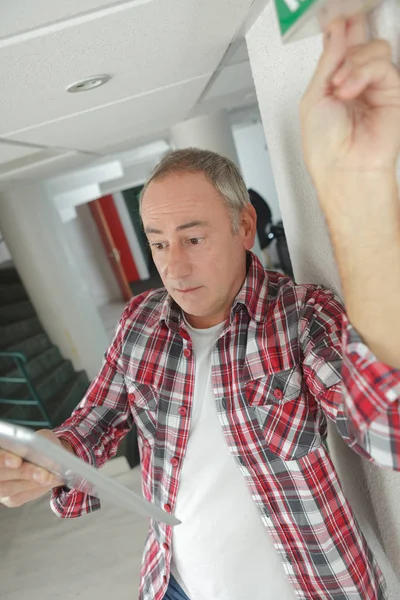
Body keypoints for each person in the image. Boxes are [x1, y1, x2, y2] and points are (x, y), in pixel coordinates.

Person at [1, 14, 400, 600]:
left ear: (243, 226)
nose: (174, 267)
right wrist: (44, 460)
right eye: (158, 243)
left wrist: (358, 192)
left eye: (193, 238)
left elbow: (389, 433)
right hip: (174, 584)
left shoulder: (299, 316)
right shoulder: (140, 323)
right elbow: (90, 428)